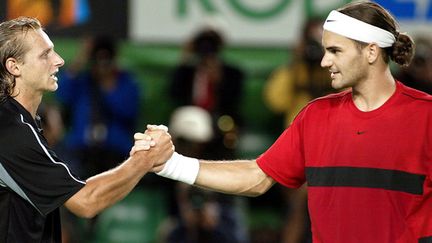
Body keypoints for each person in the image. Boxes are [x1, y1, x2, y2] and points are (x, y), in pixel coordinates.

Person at [134, 1, 432, 242]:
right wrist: (169, 163)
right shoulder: (315, 116)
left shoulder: (426, 118)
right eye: (325, 50)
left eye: (335, 51)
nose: (324, 61)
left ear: (370, 51)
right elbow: (256, 176)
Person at [0, 17, 173, 242]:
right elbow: (86, 201)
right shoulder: (11, 130)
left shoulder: (18, 122)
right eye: (45, 55)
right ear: (14, 66)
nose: (59, 60)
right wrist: (145, 159)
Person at [56, 35, 140, 178]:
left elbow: (129, 111)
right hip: (81, 147)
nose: (102, 65)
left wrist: (108, 85)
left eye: (106, 60)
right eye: (98, 60)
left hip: (115, 147)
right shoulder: (83, 82)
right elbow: (62, 93)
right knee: (64, 168)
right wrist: (81, 58)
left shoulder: (126, 83)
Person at [169, 27, 245, 160]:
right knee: (185, 127)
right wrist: (185, 59)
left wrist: (219, 82)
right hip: (190, 113)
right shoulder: (188, 71)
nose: (207, 51)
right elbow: (173, 93)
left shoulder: (231, 73)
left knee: (226, 129)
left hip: (219, 116)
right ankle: (183, 176)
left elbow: (234, 101)